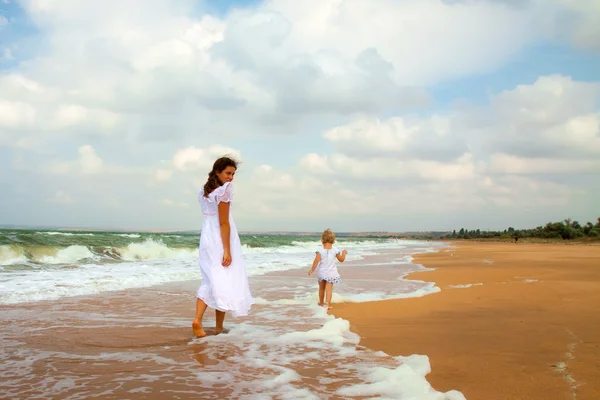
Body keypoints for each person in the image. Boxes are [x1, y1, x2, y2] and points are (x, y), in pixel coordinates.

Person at [192, 156, 254, 338]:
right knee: (224, 280)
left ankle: (206, 322)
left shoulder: (203, 192)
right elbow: (224, 223)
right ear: (217, 172)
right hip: (220, 240)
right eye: (228, 173)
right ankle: (211, 325)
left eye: (233, 174)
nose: (231, 178)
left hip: (206, 239)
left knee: (211, 280)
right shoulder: (223, 191)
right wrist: (227, 250)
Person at [308, 229, 347, 310]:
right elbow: (341, 260)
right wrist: (344, 253)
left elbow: (316, 261)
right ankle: (328, 304)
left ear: (322, 240)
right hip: (331, 273)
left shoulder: (320, 250)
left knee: (321, 289)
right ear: (333, 240)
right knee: (329, 290)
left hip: (322, 272)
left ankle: (321, 303)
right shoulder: (335, 250)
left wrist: (312, 270)